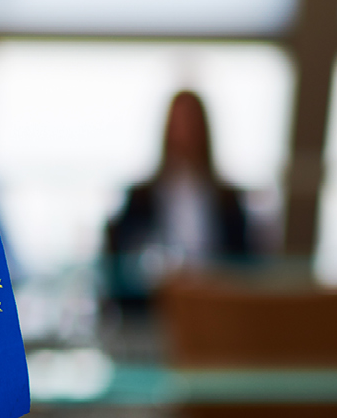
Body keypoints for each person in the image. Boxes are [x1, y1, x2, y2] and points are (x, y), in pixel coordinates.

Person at [104, 90, 252, 309]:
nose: (185, 131)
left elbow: (246, 264)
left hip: (215, 305)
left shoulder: (228, 200)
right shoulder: (140, 197)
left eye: (191, 123)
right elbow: (122, 262)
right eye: (179, 123)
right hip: (152, 309)